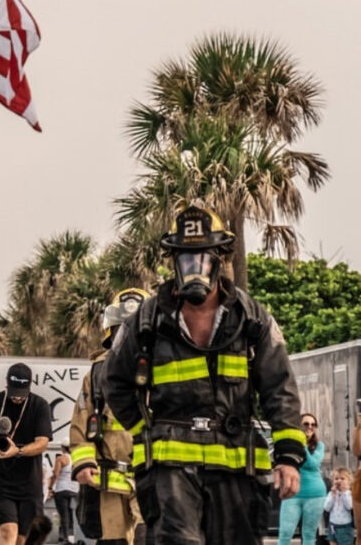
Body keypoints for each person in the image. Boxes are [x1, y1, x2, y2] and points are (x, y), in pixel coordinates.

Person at [105, 204, 306, 545]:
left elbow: (279, 387)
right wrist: (145, 431)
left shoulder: (251, 318)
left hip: (236, 468)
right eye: (185, 259)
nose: (193, 269)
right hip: (170, 470)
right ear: (174, 262)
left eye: (202, 258)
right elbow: (115, 383)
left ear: (218, 260)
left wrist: (288, 456)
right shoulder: (146, 320)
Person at [69, 288, 146, 545]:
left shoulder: (164, 368)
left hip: (151, 475)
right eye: (121, 329)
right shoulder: (97, 373)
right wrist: (83, 462)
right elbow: (82, 418)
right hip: (108, 480)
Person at [0, 362, 52, 545]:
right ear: (7, 384)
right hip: (1, 482)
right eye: (14, 393)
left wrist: (17, 451)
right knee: (8, 532)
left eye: (22, 394)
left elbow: (42, 443)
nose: (17, 398)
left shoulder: (40, 405)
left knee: (24, 539)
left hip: (30, 483)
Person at [278, 412, 325, 545]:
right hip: (292, 493)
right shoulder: (289, 444)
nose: (310, 427)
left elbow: (312, 463)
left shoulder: (319, 446)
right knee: (285, 534)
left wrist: (301, 444)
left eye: (313, 425)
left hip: (315, 494)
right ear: (298, 425)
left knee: (309, 535)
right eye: (306, 424)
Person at [48, 445, 79, 545]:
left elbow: (56, 474)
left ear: (62, 448)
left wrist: (50, 487)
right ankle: (75, 537)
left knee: (63, 515)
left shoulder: (61, 458)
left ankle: (65, 538)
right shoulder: (77, 458)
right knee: (75, 514)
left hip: (62, 489)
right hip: (75, 489)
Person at [324, 467, 354, 545]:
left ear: (349, 482)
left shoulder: (349, 493)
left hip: (345, 526)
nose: (339, 481)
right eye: (336, 479)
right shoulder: (331, 494)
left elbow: (349, 506)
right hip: (332, 525)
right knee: (332, 542)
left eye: (342, 478)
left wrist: (344, 493)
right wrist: (332, 495)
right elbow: (326, 508)